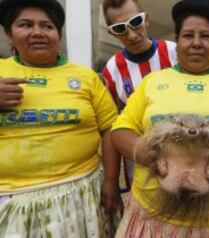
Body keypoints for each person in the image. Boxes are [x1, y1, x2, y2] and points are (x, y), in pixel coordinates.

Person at [110, 0, 209, 236]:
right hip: (153, 218)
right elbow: (120, 129)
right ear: (178, 42)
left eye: (205, 36)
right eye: (188, 35)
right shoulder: (153, 82)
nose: (196, 43)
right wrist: (144, 152)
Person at [0, 0, 121, 236]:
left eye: (46, 26)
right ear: (10, 36)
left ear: (58, 35)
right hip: (11, 200)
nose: (37, 32)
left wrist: (111, 182)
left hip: (82, 193)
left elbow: (110, 128)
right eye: (25, 25)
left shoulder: (85, 77)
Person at [102, 0, 177, 189]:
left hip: (181, 150)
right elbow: (115, 126)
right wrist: (111, 181)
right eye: (120, 29)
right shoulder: (112, 70)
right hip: (140, 160)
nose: (131, 35)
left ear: (146, 19)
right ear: (111, 32)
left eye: (135, 22)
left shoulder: (174, 52)